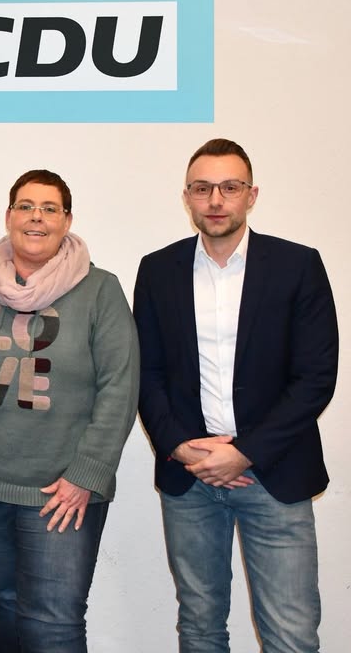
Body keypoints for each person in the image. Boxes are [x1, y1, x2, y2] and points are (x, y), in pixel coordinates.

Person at [133, 138, 337, 652]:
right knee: (200, 628)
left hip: (275, 473)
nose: (216, 200)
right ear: (187, 197)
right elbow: (146, 372)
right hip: (190, 476)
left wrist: (245, 452)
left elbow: (315, 377)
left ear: (252, 195)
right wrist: (179, 446)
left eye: (230, 187)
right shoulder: (157, 270)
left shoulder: (298, 265)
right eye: (203, 188)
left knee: (290, 634)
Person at [0, 169, 139, 653]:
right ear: (9, 216)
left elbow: (120, 386)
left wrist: (86, 475)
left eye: (50, 208)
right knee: (8, 604)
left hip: (62, 491)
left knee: (54, 623)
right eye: (26, 206)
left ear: (67, 221)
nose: (37, 217)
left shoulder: (100, 290)